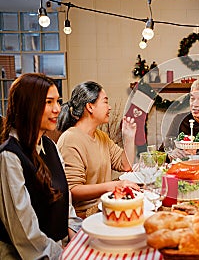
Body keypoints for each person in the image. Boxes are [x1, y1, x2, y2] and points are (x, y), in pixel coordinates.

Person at [0, 73, 81, 259]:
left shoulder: (50, 146)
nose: (58, 109)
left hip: (60, 249)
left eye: (58, 101)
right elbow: (25, 234)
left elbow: (64, 202)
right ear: (28, 105)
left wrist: (74, 235)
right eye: (49, 102)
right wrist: (62, 254)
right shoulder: (9, 156)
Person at [56, 81, 140, 218]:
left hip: (105, 207)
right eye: (105, 102)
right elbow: (73, 190)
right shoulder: (70, 140)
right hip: (84, 216)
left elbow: (125, 165)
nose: (110, 107)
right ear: (90, 107)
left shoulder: (101, 136)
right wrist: (113, 185)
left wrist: (129, 137)